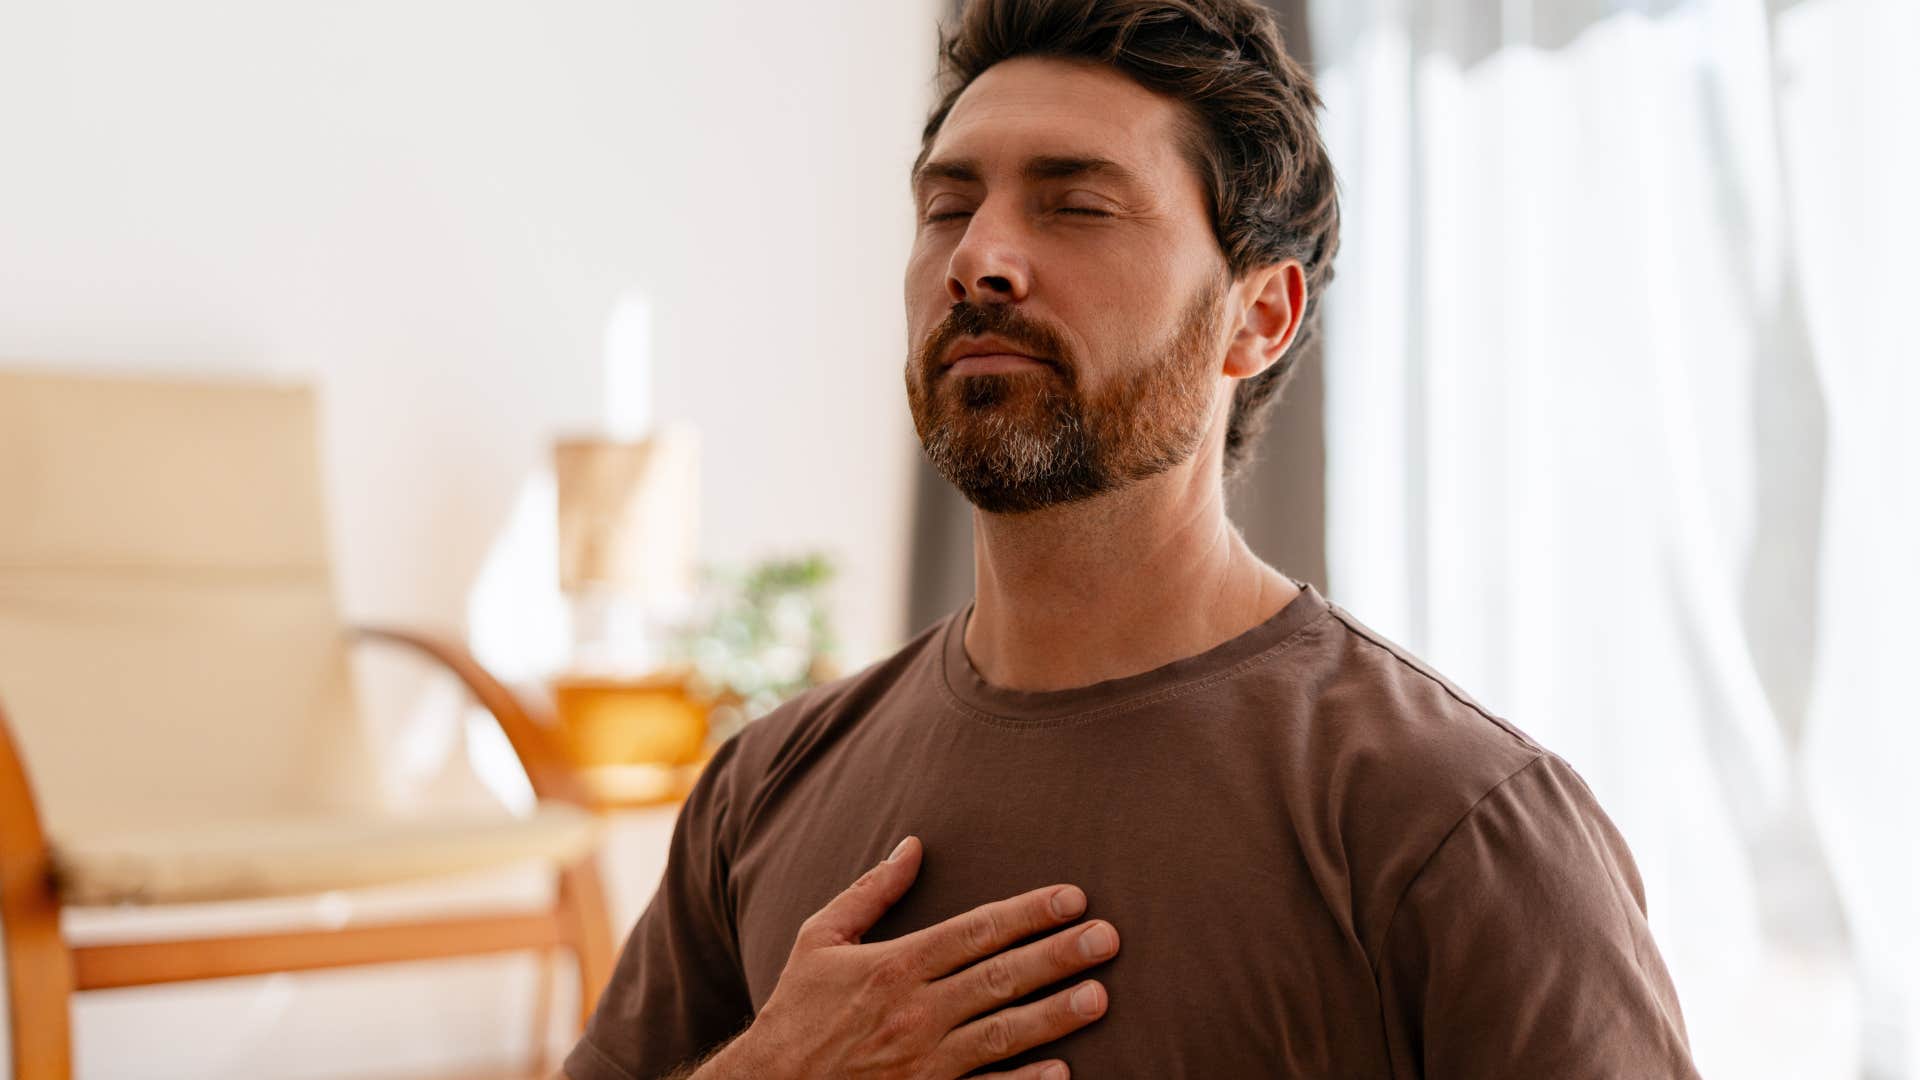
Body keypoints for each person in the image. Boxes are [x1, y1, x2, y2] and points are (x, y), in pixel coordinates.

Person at [565, 0, 1701, 1076]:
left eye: (1077, 204)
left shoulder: (1456, 823)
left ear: (1258, 318)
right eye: (949, 207)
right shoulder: (764, 786)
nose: (980, 257)